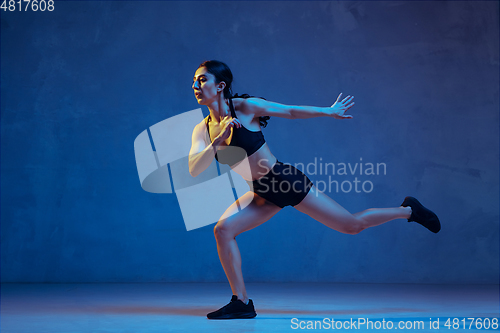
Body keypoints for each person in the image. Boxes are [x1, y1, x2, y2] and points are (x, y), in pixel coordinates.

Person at [188, 60, 440, 320]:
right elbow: (195, 168)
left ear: (220, 86)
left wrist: (328, 111)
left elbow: (290, 111)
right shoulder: (203, 130)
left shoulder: (245, 107)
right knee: (223, 230)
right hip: (260, 192)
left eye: (202, 80)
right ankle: (241, 301)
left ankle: (408, 210)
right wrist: (216, 142)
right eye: (194, 81)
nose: (196, 85)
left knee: (351, 225)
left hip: (285, 181)